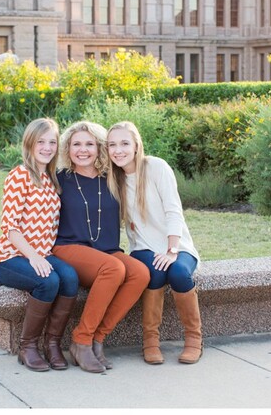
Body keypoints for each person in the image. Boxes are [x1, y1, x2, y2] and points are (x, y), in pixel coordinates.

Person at [52, 121, 149, 373]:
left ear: (99, 148)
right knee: (113, 269)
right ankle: (81, 340)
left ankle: (97, 338)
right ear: (67, 148)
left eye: (89, 144)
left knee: (140, 273)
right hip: (68, 246)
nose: (83, 150)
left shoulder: (112, 179)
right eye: (76, 144)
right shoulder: (59, 179)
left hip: (107, 249)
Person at [106, 121, 203, 365]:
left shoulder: (156, 167)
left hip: (177, 245)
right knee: (156, 273)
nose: (118, 150)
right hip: (143, 248)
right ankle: (150, 341)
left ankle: (194, 339)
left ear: (136, 145)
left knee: (179, 273)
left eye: (125, 143)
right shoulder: (113, 179)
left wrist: (172, 251)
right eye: (112, 145)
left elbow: (173, 211)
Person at [0, 118, 79, 372]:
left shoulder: (51, 178)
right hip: (10, 257)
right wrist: (34, 257)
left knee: (70, 278)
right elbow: (10, 227)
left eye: (52, 142)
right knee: (48, 281)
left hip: (42, 253)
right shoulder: (20, 175)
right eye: (41, 141)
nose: (47, 147)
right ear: (29, 143)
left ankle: (52, 344)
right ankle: (27, 346)